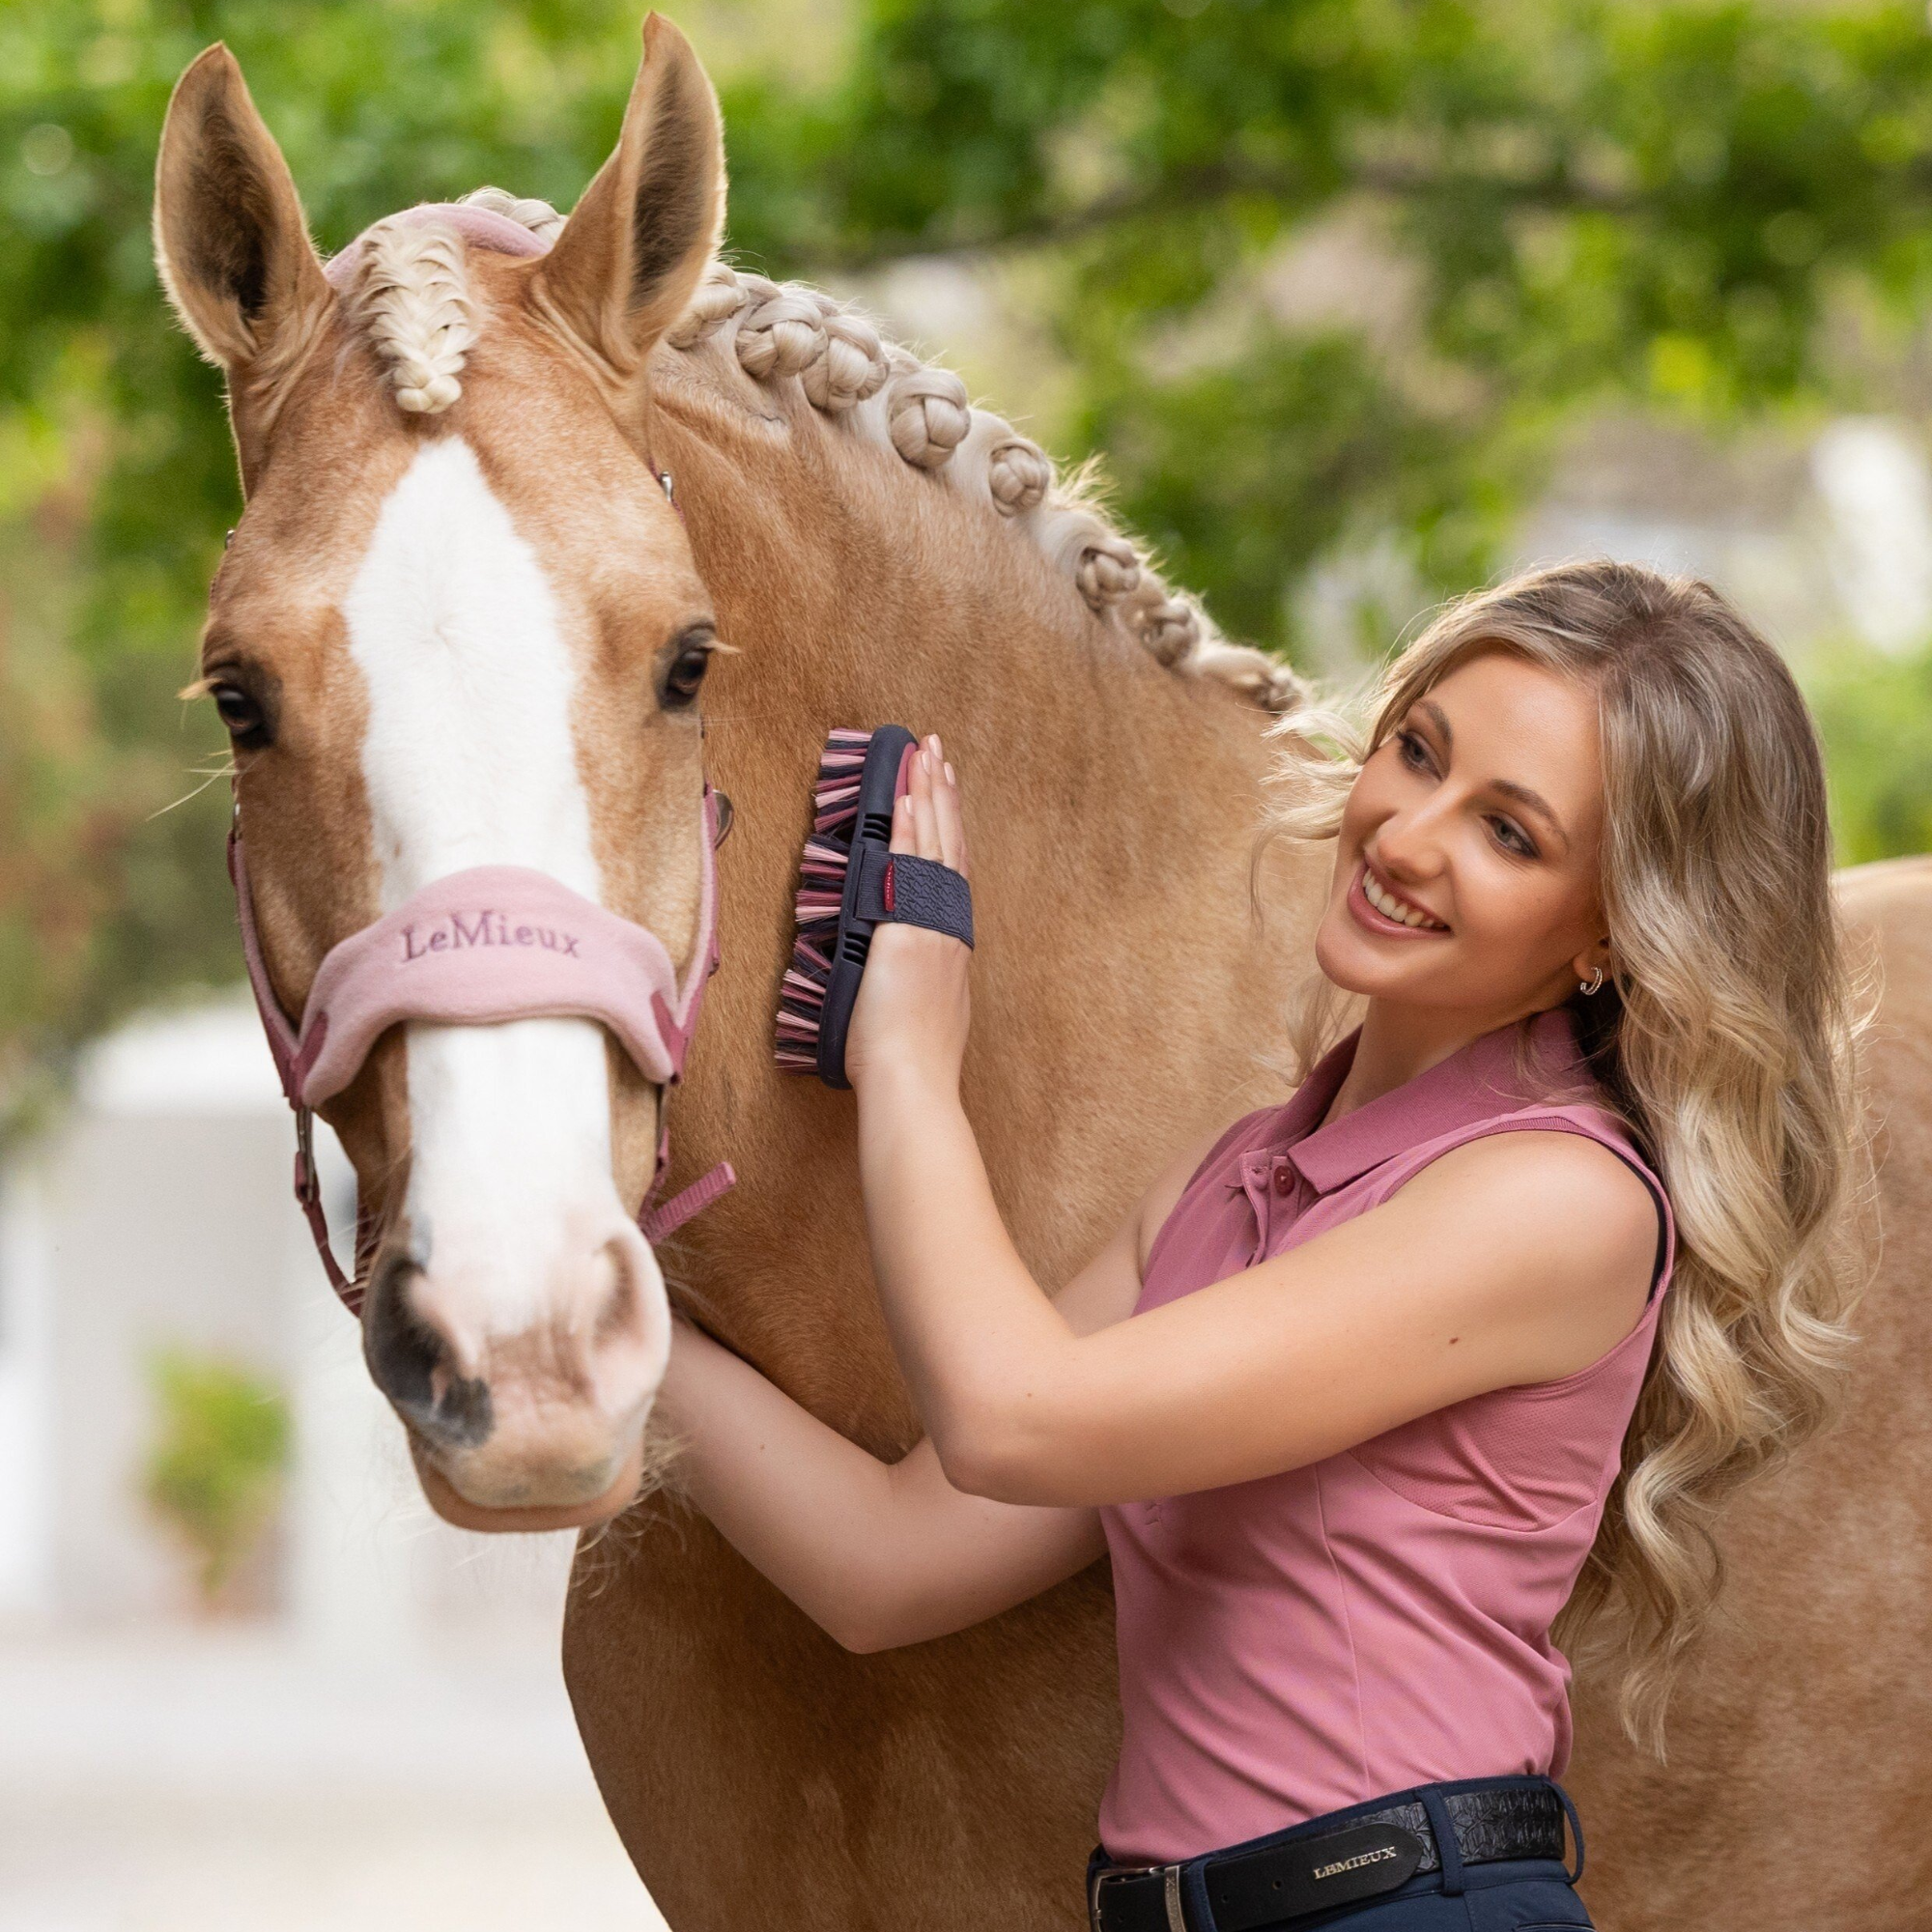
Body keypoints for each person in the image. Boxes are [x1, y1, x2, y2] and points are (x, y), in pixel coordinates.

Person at [660, 558, 1874, 1930]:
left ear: (1611, 932)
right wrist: (607, 1292)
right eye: (1419, 754)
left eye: (1509, 833)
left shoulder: (1559, 1200)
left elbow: (1011, 1420)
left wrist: (908, 1063)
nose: (1407, 836)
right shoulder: (1233, 1179)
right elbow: (888, 1564)